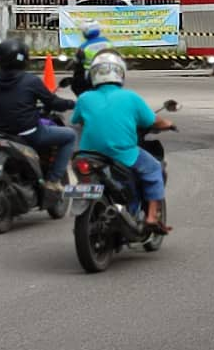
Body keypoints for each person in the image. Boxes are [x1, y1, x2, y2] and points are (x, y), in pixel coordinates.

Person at [74, 51, 173, 232]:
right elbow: (153, 121)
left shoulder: (84, 98)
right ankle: (152, 217)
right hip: (122, 153)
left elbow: (77, 120)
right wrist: (169, 124)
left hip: (87, 154)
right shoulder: (130, 97)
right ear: (120, 73)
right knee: (154, 168)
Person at [0, 37, 76, 191]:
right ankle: (53, 180)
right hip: (29, 134)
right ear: (23, 59)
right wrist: (72, 104)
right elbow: (53, 102)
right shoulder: (31, 81)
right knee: (70, 135)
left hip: (2, 134)